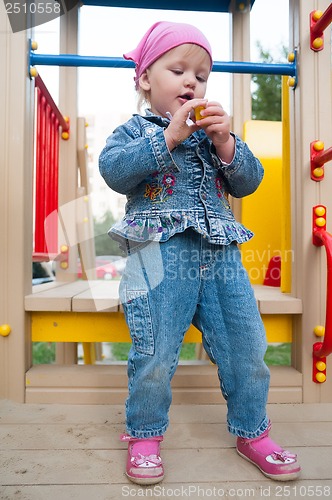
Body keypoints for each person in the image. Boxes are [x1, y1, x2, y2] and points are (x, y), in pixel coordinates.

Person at [99, 21, 301, 485]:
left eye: (201, 75)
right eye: (178, 70)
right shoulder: (133, 130)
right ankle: (145, 433)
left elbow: (248, 181)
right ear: (145, 79)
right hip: (159, 258)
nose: (192, 82)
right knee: (156, 349)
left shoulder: (213, 136)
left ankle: (253, 431)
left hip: (220, 256)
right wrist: (167, 137)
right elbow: (114, 171)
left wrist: (226, 142)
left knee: (247, 344)